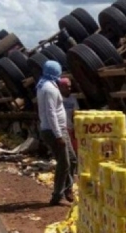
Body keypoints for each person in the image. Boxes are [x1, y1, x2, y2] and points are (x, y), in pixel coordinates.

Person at [36, 60, 77, 206]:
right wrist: (58, 135)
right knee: (64, 163)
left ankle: (67, 189)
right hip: (54, 131)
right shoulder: (49, 89)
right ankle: (57, 195)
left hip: (60, 129)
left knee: (72, 160)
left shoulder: (44, 85)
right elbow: (51, 113)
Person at [58, 77, 79, 154]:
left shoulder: (73, 99)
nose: (69, 89)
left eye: (70, 87)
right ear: (61, 88)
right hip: (62, 129)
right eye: (66, 87)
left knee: (75, 149)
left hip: (71, 128)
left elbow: (75, 113)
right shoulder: (58, 99)